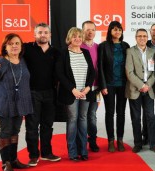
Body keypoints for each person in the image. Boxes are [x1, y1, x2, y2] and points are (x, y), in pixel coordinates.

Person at [0, 23, 61, 166]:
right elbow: (8, 55)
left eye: (45, 32)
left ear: (50, 35)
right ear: (35, 35)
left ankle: (46, 153)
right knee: (32, 126)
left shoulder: (56, 52)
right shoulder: (27, 48)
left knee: (47, 125)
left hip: (50, 93)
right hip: (31, 94)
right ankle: (33, 155)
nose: (43, 35)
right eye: (40, 32)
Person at [0, 33, 32, 171]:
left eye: (17, 43)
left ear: (21, 46)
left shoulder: (23, 61)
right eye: (10, 43)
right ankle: (5, 163)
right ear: (5, 46)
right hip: (5, 103)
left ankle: (14, 160)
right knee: (5, 132)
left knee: (15, 131)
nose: (14, 46)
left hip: (20, 103)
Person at [56, 27, 95, 161]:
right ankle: (72, 152)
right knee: (72, 120)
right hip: (71, 93)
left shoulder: (85, 52)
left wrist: (89, 87)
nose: (77, 39)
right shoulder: (63, 53)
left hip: (85, 93)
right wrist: (73, 89)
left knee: (83, 119)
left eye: (79, 36)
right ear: (69, 39)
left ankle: (83, 151)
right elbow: (60, 73)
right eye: (74, 37)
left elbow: (92, 72)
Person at [126, 29, 155, 154]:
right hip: (135, 89)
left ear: (147, 37)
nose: (142, 38)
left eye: (144, 36)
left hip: (149, 89)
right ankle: (138, 143)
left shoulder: (152, 52)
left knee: (151, 117)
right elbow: (129, 72)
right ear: (136, 38)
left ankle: (153, 144)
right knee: (136, 118)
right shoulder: (130, 51)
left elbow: (154, 72)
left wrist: (148, 85)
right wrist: (141, 85)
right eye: (139, 36)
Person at [98, 21, 130, 152]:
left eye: (119, 30)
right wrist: (103, 85)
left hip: (123, 84)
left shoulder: (125, 46)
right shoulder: (103, 46)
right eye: (115, 29)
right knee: (110, 113)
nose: (117, 32)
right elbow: (100, 67)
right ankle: (111, 140)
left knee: (121, 113)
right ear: (110, 31)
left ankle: (120, 140)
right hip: (109, 85)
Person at [80, 20, 100, 152]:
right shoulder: (78, 46)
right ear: (82, 31)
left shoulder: (98, 47)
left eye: (92, 29)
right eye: (87, 29)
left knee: (92, 115)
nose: (90, 32)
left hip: (95, 87)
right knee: (82, 116)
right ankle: (81, 142)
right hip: (82, 88)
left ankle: (92, 140)